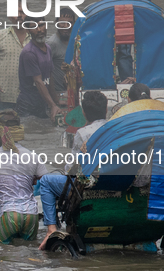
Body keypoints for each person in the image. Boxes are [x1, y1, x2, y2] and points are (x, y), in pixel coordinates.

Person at [38, 91, 108, 250]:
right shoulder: (117, 130)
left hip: (88, 185)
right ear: (105, 110)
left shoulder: (83, 133)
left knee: (46, 181)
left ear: (83, 113)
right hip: (113, 181)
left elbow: (71, 168)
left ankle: (51, 230)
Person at [0, 110, 48, 244]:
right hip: (31, 215)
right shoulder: (34, 156)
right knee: (29, 255)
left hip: (9, 213)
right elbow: (47, 185)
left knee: (1, 254)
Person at [0, 4, 30, 110]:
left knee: (28, 125)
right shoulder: (0, 36)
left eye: (22, 12)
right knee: (1, 126)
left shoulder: (34, 38)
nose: (19, 16)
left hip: (28, 97)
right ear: (9, 16)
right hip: (3, 95)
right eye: (15, 12)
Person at [15, 18, 64, 121]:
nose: (39, 30)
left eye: (41, 25)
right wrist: (52, 106)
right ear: (28, 30)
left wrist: (56, 101)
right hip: (28, 105)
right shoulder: (29, 53)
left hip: (42, 102)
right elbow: (38, 82)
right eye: (33, 27)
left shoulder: (48, 48)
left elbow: (49, 76)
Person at [47, 8, 76, 104]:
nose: (66, 26)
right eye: (62, 22)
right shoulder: (52, 44)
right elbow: (45, 72)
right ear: (56, 23)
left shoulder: (76, 42)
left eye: (70, 23)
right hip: (58, 95)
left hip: (73, 92)